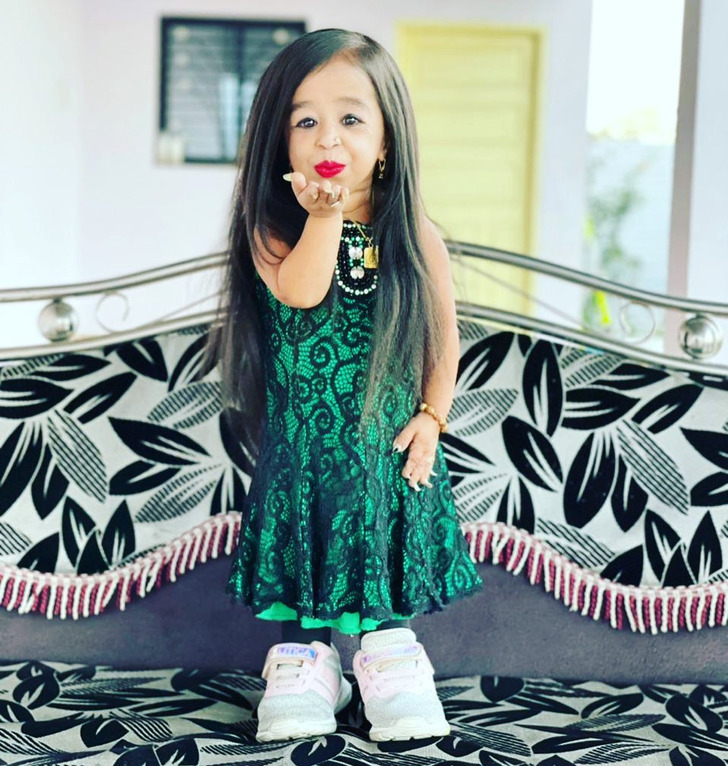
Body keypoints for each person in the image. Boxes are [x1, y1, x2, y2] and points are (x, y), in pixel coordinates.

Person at [213, 27, 483, 744]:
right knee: (306, 559)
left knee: (378, 553)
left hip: (384, 448)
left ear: (387, 140)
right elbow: (302, 293)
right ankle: (308, 666)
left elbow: (442, 339)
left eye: (351, 118)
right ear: (280, 142)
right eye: (304, 121)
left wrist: (432, 417)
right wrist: (324, 214)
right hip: (303, 451)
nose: (327, 136)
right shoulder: (274, 228)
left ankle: (390, 657)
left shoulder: (414, 234)